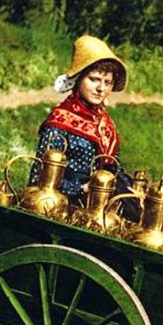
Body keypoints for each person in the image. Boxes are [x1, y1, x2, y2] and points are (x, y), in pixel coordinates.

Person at [29, 35, 136, 216]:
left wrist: (128, 188)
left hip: (100, 204)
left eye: (107, 82)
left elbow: (114, 168)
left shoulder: (106, 125)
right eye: (94, 79)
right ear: (78, 80)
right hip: (64, 207)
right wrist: (83, 188)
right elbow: (38, 178)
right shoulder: (59, 123)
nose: (101, 89)